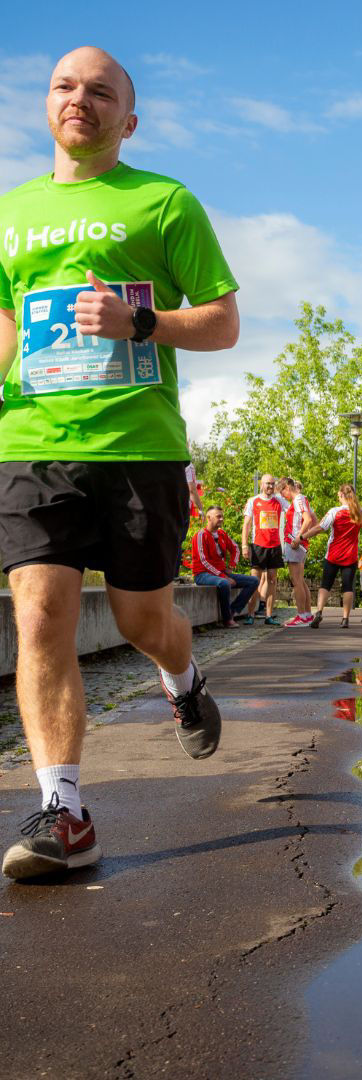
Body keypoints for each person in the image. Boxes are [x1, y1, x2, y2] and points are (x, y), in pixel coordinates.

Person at [0, 47, 239, 880]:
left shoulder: (164, 201)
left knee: (143, 622)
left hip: (140, 446)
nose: (81, 100)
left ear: (126, 120)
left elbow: (221, 323)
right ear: (46, 106)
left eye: (101, 91)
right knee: (39, 613)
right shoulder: (11, 210)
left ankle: (183, 674)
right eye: (65, 86)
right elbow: (5, 328)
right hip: (35, 440)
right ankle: (63, 812)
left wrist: (140, 325)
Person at [302, 483, 362, 629]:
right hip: (351, 555)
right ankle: (345, 619)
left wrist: (302, 537)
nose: (337, 496)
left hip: (333, 555)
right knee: (348, 587)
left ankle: (318, 613)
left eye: (338, 494)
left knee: (325, 585)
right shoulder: (360, 512)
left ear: (342, 495)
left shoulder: (335, 512)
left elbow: (320, 528)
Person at [191, 506, 259, 627]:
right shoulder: (201, 535)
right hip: (202, 574)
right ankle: (227, 620)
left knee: (253, 581)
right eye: (218, 516)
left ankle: (232, 611)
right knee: (224, 583)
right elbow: (203, 561)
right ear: (209, 518)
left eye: (222, 516)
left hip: (220, 572)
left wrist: (231, 565)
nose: (221, 519)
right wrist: (223, 576)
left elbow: (235, 549)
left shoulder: (222, 534)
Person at [242, 473, 288, 626]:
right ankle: (250, 614)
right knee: (254, 581)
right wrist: (244, 545)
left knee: (272, 580)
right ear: (261, 484)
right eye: (267, 483)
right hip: (258, 545)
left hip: (275, 546)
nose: (270, 486)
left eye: (272, 484)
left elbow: (294, 509)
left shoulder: (279, 500)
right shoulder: (253, 501)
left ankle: (269, 615)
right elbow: (247, 525)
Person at [279, 476, 315, 627]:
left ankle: (301, 616)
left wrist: (299, 537)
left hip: (294, 542)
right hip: (298, 542)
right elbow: (313, 519)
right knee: (300, 580)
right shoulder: (302, 499)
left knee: (296, 581)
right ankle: (306, 614)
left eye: (282, 492)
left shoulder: (298, 499)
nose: (282, 495)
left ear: (287, 487)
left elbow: (308, 519)